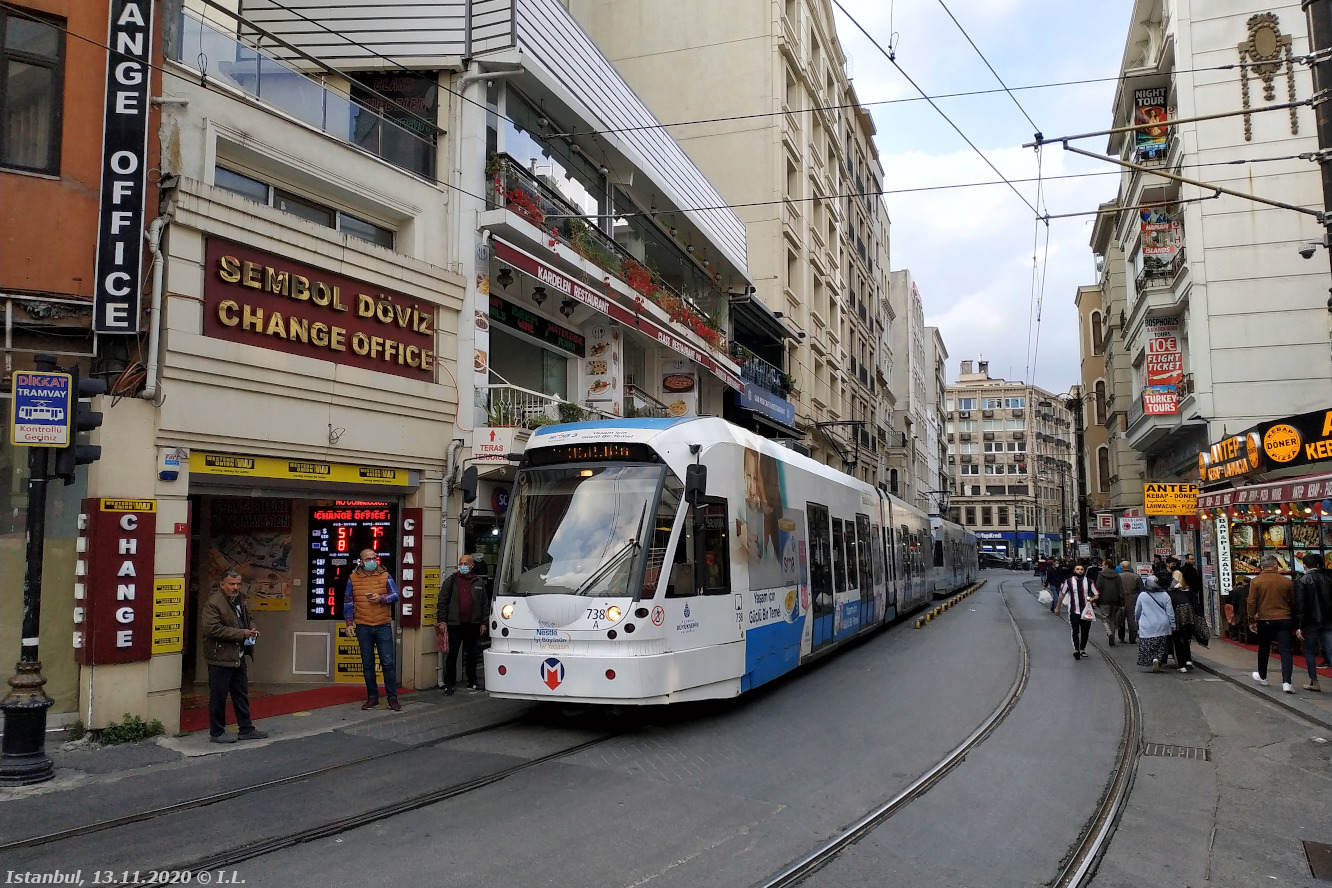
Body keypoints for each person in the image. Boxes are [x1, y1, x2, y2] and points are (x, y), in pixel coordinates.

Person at [201, 568, 268, 743]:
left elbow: (248, 617)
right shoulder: (214, 603)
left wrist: (251, 628)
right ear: (222, 584)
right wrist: (241, 633)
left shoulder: (239, 599)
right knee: (218, 696)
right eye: (232, 584)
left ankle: (246, 729)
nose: (235, 587)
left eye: (238, 583)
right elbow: (212, 629)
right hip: (220, 657)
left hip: (237, 655)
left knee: (240, 693)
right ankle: (217, 732)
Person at [344, 548, 402, 711]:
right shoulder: (353, 578)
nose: (371, 561)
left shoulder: (385, 575)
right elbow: (348, 601)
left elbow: (396, 595)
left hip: (382, 624)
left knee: (387, 662)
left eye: (374, 558)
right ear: (361, 562)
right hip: (363, 625)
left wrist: (382, 598)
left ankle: (392, 698)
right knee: (368, 664)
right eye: (368, 559)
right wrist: (349, 623)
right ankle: (372, 697)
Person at [438, 554, 490, 695]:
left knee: (472, 654)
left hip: (473, 624)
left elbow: (485, 604)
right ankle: (449, 684)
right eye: (461, 563)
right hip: (455, 624)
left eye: (466, 563)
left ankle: (471, 682)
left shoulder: (478, 582)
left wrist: (484, 622)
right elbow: (442, 602)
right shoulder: (451, 580)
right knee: (452, 654)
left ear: (472, 565)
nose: (463, 566)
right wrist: (442, 621)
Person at [1247, 553, 1296, 693]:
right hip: (1284, 618)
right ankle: (1287, 682)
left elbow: (1251, 602)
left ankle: (1263, 677)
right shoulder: (1287, 582)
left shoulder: (1256, 581)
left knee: (1263, 648)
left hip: (1265, 619)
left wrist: (1251, 619)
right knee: (1286, 651)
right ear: (1275, 565)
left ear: (1262, 566)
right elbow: (1293, 602)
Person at [1295, 553, 1332, 692]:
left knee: (1309, 651)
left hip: (1310, 622)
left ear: (1304, 565)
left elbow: (1300, 605)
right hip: (1329, 620)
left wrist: (1299, 626)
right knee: (1330, 649)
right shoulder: (1329, 577)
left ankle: (1314, 681)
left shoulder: (1303, 580)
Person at [1056, 562, 1098, 660]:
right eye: (1078, 569)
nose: (1080, 571)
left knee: (1085, 631)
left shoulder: (1089, 582)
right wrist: (1057, 607)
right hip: (1074, 611)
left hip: (1086, 611)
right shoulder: (1068, 582)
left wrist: (1093, 599)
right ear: (1074, 571)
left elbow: (1096, 594)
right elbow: (1062, 594)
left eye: (1082, 569)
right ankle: (1076, 650)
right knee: (1074, 630)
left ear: (1084, 571)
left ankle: (1082, 648)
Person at [1135, 575, 1176, 672]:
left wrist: (1136, 619)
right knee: (1161, 644)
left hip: (1147, 625)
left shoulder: (1142, 595)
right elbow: (1170, 611)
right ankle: (1158, 659)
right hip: (1162, 624)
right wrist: (1173, 624)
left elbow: (1137, 611)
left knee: (1148, 643)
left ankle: (1151, 659)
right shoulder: (1165, 595)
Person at [1165, 571, 1196, 673]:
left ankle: (1181, 664)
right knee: (1186, 639)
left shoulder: (1169, 593)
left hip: (1176, 620)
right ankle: (1188, 660)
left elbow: (1168, 609)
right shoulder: (1188, 591)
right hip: (1188, 619)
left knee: (1177, 641)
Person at [1094, 558, 1124, 647]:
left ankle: (1109, 633)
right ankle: (1113, 636)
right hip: (1115, 600)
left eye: (1103, 565)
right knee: (1113, 619)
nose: (1102, 566)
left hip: (1104, 600)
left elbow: (1098, 587)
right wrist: (1121, 601)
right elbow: (1120, 589)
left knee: (1105, 618)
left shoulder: (1101, 575)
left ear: (1107, 565)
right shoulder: (1117, 575)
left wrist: (1096, 599)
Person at [1119, 561, 1142, 643]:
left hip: (1121, 599)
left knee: (1121, 618)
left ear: (1122, 567)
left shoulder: (1118, 576)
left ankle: (1121, 637)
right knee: (1132, 619)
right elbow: (1141, 589)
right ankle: (1132, 638)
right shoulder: (1136, 576)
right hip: (1133, 599)